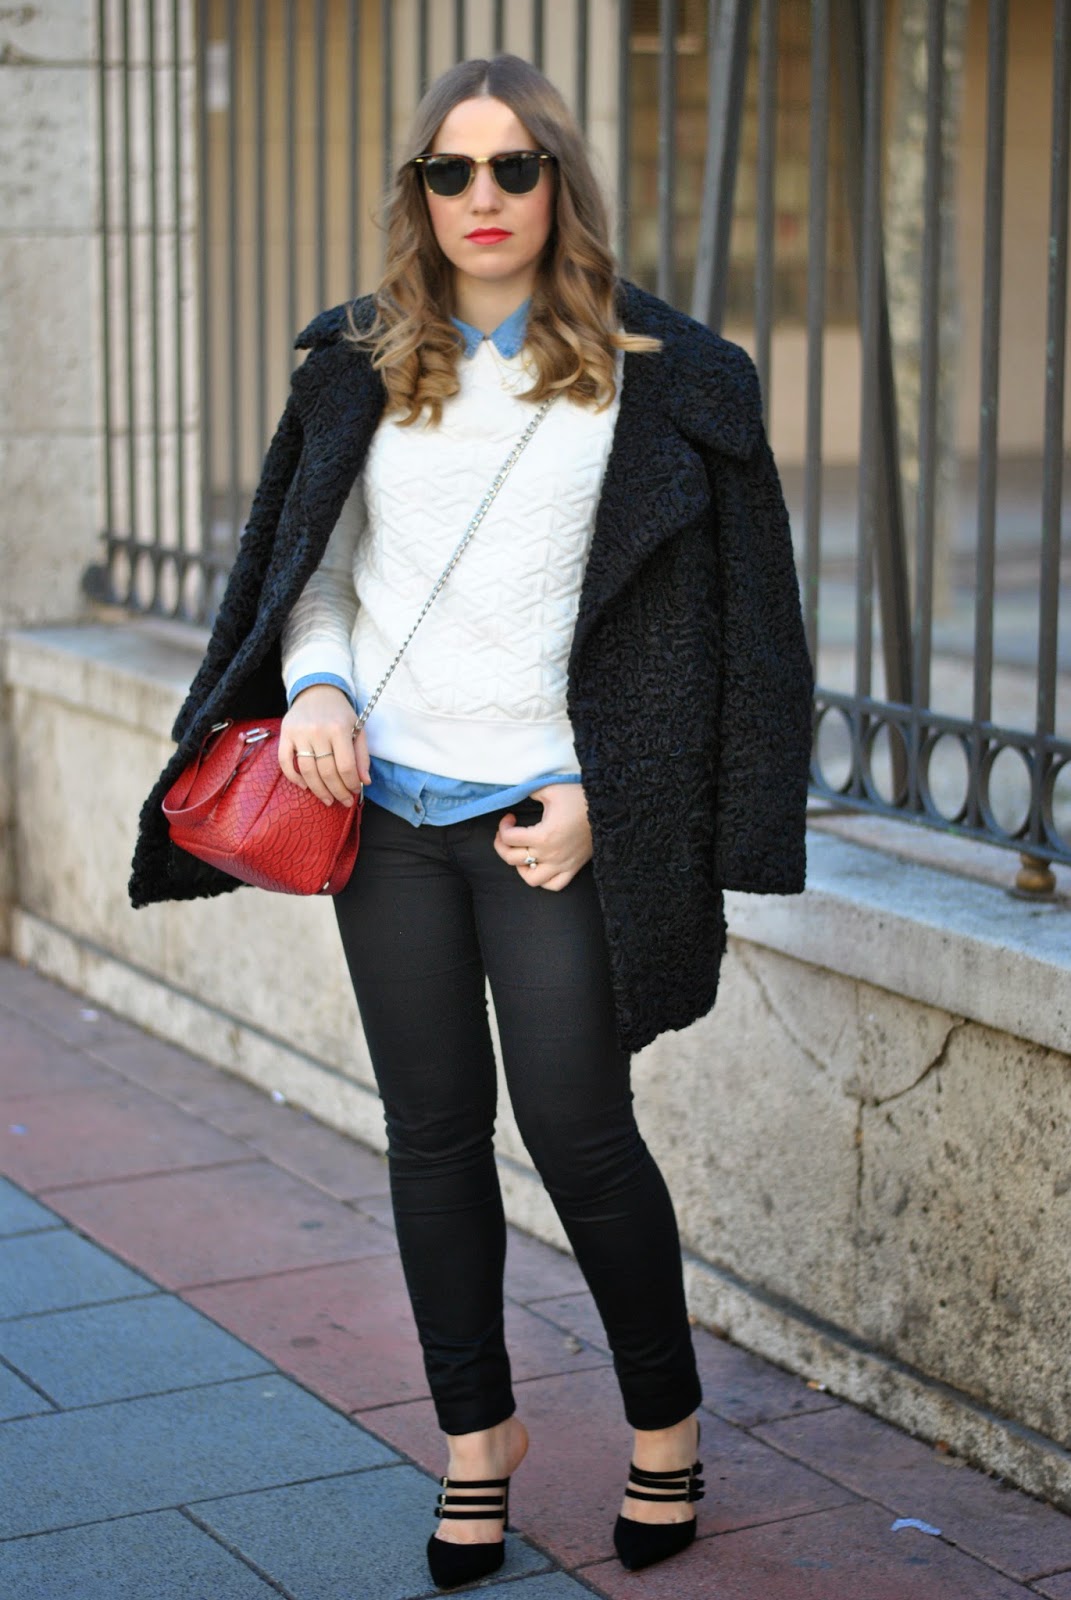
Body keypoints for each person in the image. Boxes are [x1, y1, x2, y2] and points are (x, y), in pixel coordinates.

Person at [130, 52, 812, 1591]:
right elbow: (316, 572)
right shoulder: (366, 361)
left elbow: (730, 636)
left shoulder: (660, 377)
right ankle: (474, 1439)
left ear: (559, 186)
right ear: (418, 194)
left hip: (544, 824)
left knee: (579, 1135)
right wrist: (312, 688)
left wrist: (600, 793)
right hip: (389, 813)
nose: (483, 198)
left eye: (514, 170)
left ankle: (661, 1429)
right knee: (433, 1139)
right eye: (452, 172)